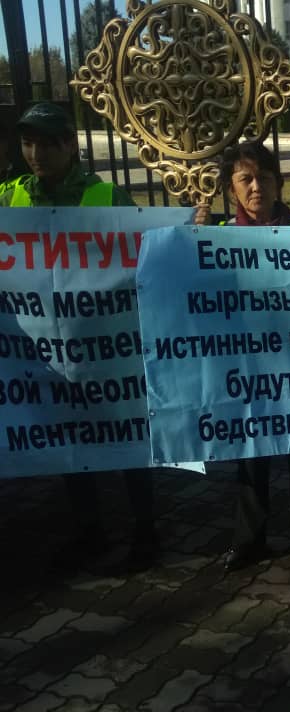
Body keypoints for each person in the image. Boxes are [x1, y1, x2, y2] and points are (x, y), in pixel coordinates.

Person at [0, 102, 155, 574]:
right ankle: (90, 532)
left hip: (106, 350)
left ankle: (147, 532)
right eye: (29, 143)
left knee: (127, 435)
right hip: (45, 352)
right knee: (69, 438)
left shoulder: (105, 197)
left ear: (71, 145)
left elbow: (147, 252)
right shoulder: (10, 197)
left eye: (48, 143)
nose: (36, 153)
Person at [198, 141, 290, 571]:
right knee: (251, 453)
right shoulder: (216, 237)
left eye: (265, 178)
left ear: (279, 183)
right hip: (248, 368)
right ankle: (249, 540)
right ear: (231, 188)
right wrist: (192, 240)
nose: (256, 187)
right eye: (246, 179)